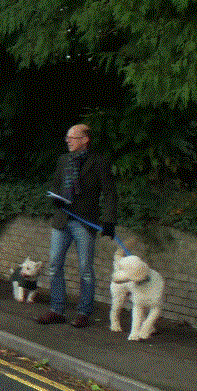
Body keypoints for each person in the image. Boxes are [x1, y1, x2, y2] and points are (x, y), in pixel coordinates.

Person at [36, 124, 117, 328]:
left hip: (84, 221)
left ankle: (84, 313)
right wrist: (56, 199)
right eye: (67, 137)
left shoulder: (99, 162)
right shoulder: (63, 160)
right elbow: (56, 184)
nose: (68, 140)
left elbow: (109, 193)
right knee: (54, 265)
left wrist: (109, 220)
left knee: (85, 269)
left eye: (72, 137)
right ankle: (57, 309)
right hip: (62, 219)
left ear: (85, 140)